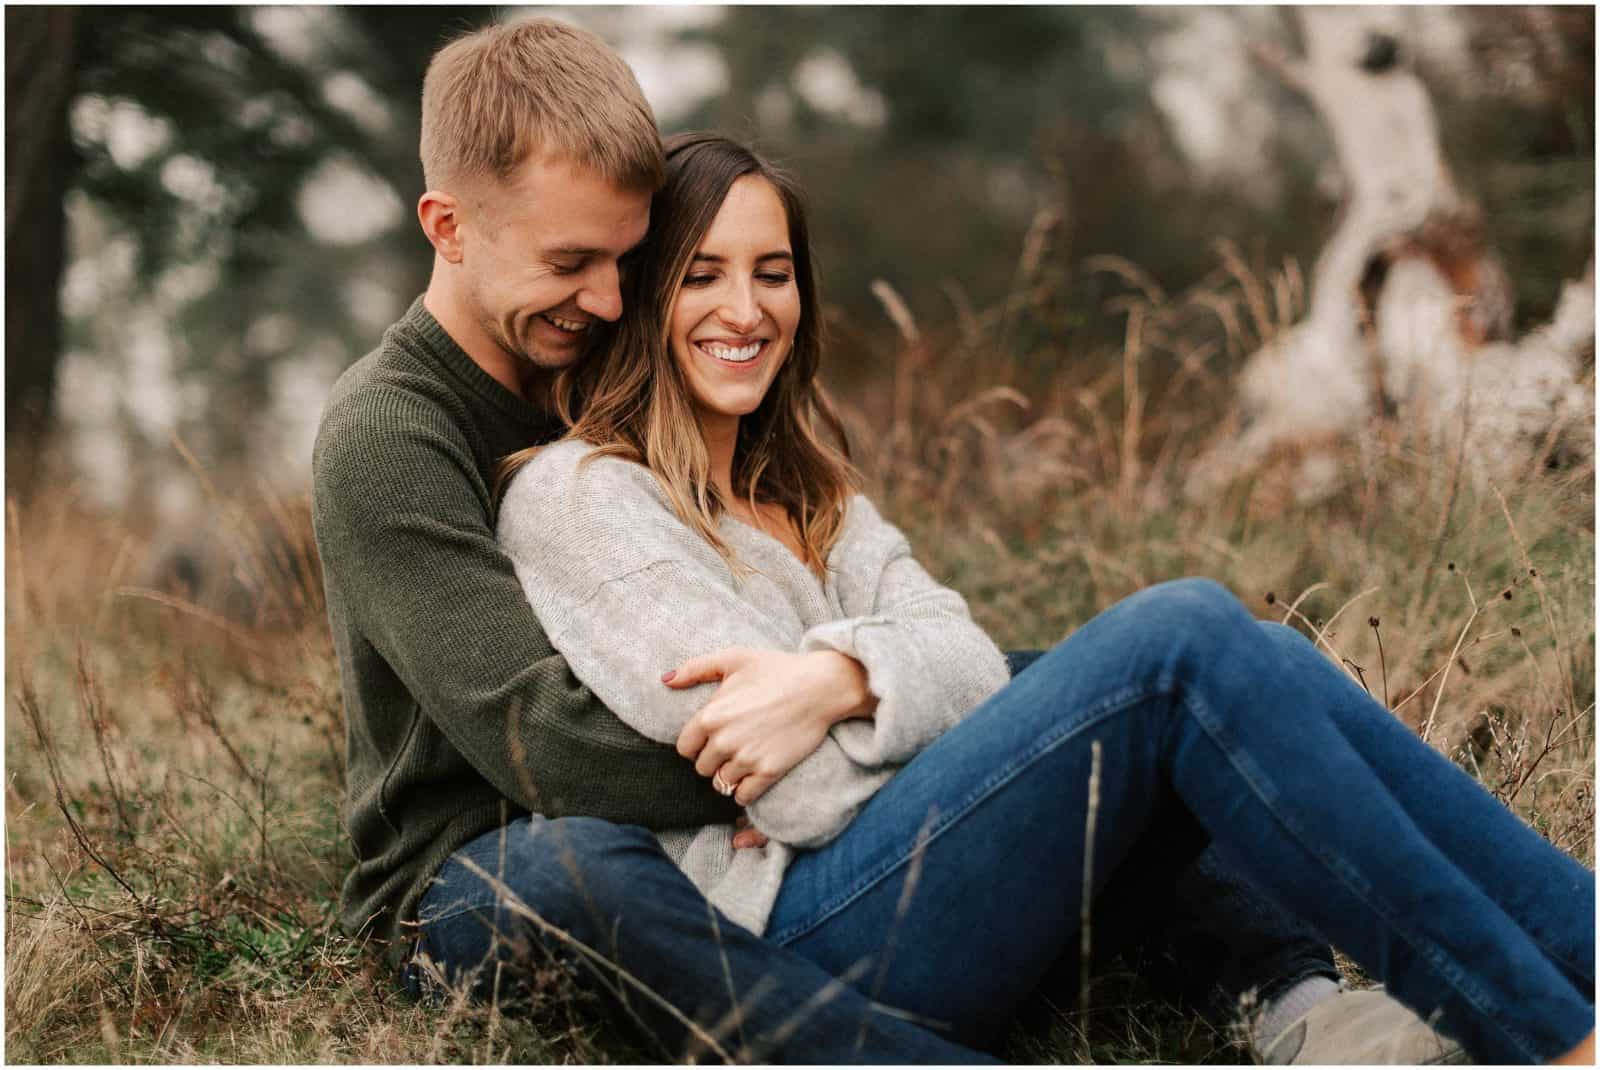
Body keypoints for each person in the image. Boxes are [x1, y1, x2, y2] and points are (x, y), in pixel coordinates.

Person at [308, 17, 1478, 1064]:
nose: (612, 299)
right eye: (571, 263)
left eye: (625, 260)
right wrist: (887, 771)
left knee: (1050, 693)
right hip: (476, 859)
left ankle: (1285, 988)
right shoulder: (388, 433)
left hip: (726, 815)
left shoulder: (589, 355)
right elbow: (538, 740)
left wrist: (886, 716)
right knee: (578, 867)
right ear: (447, 227)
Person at [484, 130, 1596, 1065]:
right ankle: (1548, 1037)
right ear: (643, 298)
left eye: (771, 271)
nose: (746, 307)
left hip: (936, 873)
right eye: (701, 272)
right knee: (1180, 641)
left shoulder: (816, 496)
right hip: (817, 933)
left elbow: (972, 658)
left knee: (1261, 651)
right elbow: (809, 794)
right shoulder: (582, 498)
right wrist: (909, 689)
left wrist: (838, 676)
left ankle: (1584, 947)